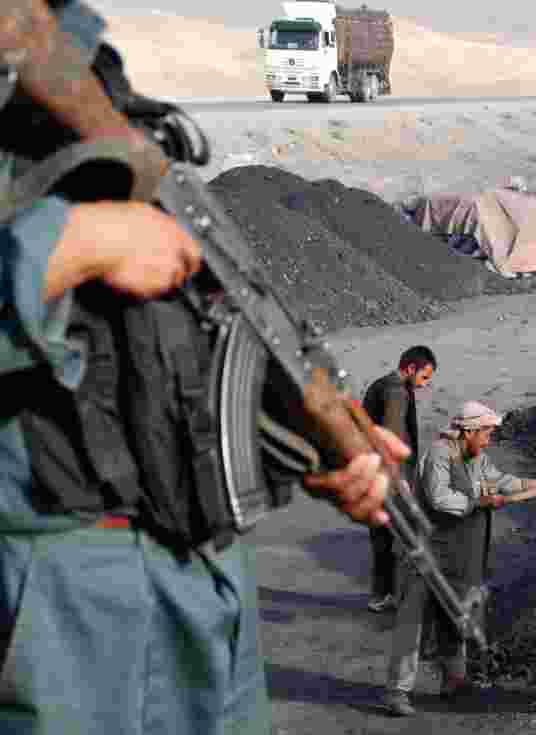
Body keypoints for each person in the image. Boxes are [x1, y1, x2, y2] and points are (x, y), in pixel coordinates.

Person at [0, 3, 404, 733]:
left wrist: (306, 440)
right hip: (57, 618)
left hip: (200, 589)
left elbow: (169, 337)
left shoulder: (89, 72)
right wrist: (68, 246)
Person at [383, 400, 536, 716]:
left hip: (459, 556)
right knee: (412, 624)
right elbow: (441, 499)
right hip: (425, 554)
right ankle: (397, 691)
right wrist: (481, 501)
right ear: (469, 431)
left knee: (454, 619)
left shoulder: (476, 458)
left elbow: (501, 481)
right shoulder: (439, 454)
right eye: (486, 433)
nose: (489, 440)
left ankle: (453, 681)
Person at [362, 345, 437, 613]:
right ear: (411, 368)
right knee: (407, 536)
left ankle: (382, 595)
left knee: (382, 538)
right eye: (424, 377)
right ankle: (403, 596)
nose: (424, 384)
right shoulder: (396, 392)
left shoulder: (381, 385)